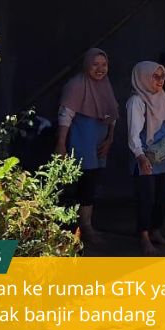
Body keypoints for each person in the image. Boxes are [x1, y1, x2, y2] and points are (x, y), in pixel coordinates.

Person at [55, 48, 119, 243]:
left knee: (92, 183)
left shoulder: (105, 85)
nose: (100, 69)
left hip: (99, 142)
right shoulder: (75, 85)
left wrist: (110, 139)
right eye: (95, 64)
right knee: (82, 183)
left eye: (104, 64)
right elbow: (65, 115)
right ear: (86, 65)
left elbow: (112, 114)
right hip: (81, 141)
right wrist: (61, 144)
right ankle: (80, 229)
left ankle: (86, 226)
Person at [127, 61, 165, 256]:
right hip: (145, 157)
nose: (160, 80)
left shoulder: (161, 96)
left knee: (160, 197)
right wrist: (140, 157)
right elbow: (133, 134)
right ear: (143, 78)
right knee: (145, 198)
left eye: (162, 76)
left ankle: (156, 231)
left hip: (161, 156)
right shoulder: (137, 101)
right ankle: (144, 236)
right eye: (155, 77)